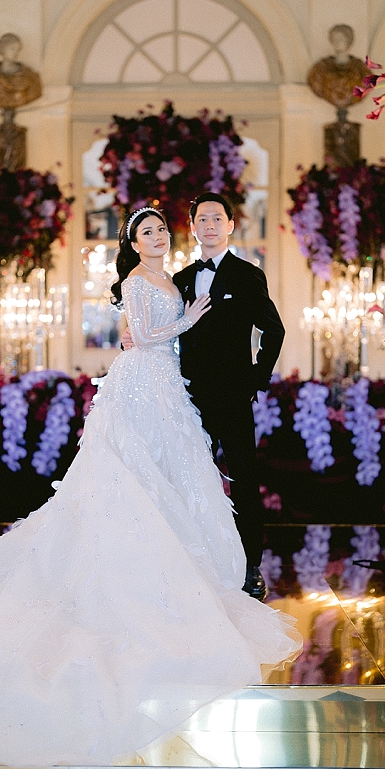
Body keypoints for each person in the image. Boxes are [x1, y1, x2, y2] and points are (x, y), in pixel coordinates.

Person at [0, 206, 301, 767]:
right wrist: (183, 323)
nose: (159, 236)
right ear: (133, 242)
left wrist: (232, 366)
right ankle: (134, 576)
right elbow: (142, 336)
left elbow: (229, 330)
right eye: (149, 231)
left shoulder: (183, 276)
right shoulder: (144, 280)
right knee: (130, 481)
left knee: (182, 483)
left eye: (164, 229)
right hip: (145, 386)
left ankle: (221, 572)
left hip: (179, 390)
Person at [123, 193, 285, 600]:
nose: (209, 225)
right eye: (202, 219)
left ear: (230, 224)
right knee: (188, 479)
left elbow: (274, 330)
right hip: (185, 397)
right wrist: (131, 338)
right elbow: (157, 326)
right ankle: (196, 562)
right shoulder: (179, 279)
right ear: (192, 227)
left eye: (218, 218)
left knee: (244, 480)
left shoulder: (248, 275)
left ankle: (250, 566)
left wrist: (253, 381)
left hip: (232, 397)